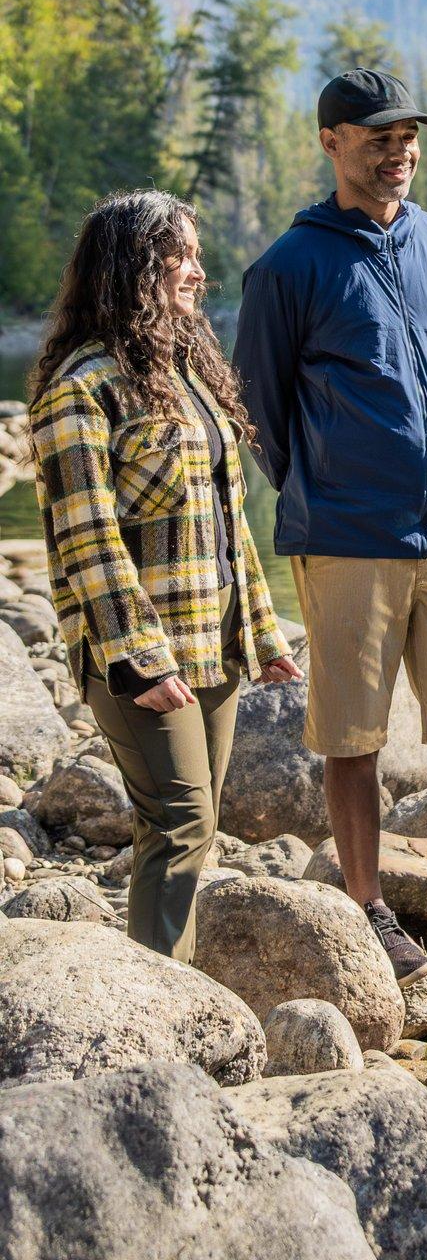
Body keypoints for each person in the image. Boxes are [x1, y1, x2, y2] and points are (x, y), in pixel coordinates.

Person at [234, 67, 427, 985]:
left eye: (408, 135)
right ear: (332, 143)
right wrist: (326, 492)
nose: (398, 150)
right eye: (377, 136)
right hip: (346, 539)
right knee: (352, 736)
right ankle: (369, 906)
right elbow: (260, 408)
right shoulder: (289, 268)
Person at [28, 191, 300, 962]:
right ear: (132, 268)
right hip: (139, 655)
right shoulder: (80, 390)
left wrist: (262, 632)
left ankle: (160, 981)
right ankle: (160, 1006)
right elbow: (88, 541)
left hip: (212, 641)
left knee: (190, 821)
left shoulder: (185, 370)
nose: (197, 269)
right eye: (178, 254)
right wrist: (137, 658)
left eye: (194, 253)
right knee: (183, 823)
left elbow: (225, 519)